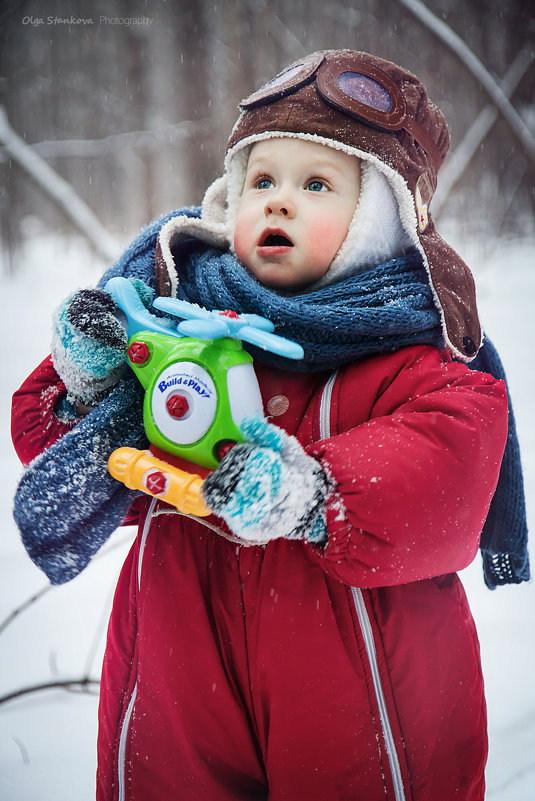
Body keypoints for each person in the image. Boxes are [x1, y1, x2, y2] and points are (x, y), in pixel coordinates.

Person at [11, 50, 529, 801]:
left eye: (315, 183)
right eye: (261, 181)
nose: (278, 202)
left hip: (360, 695)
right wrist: (94, 375)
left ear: (377, 220)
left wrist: (314, 493)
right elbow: (58, 451)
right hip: (179, 670)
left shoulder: (421, 354)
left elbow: (446, 467)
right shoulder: (178, 321)